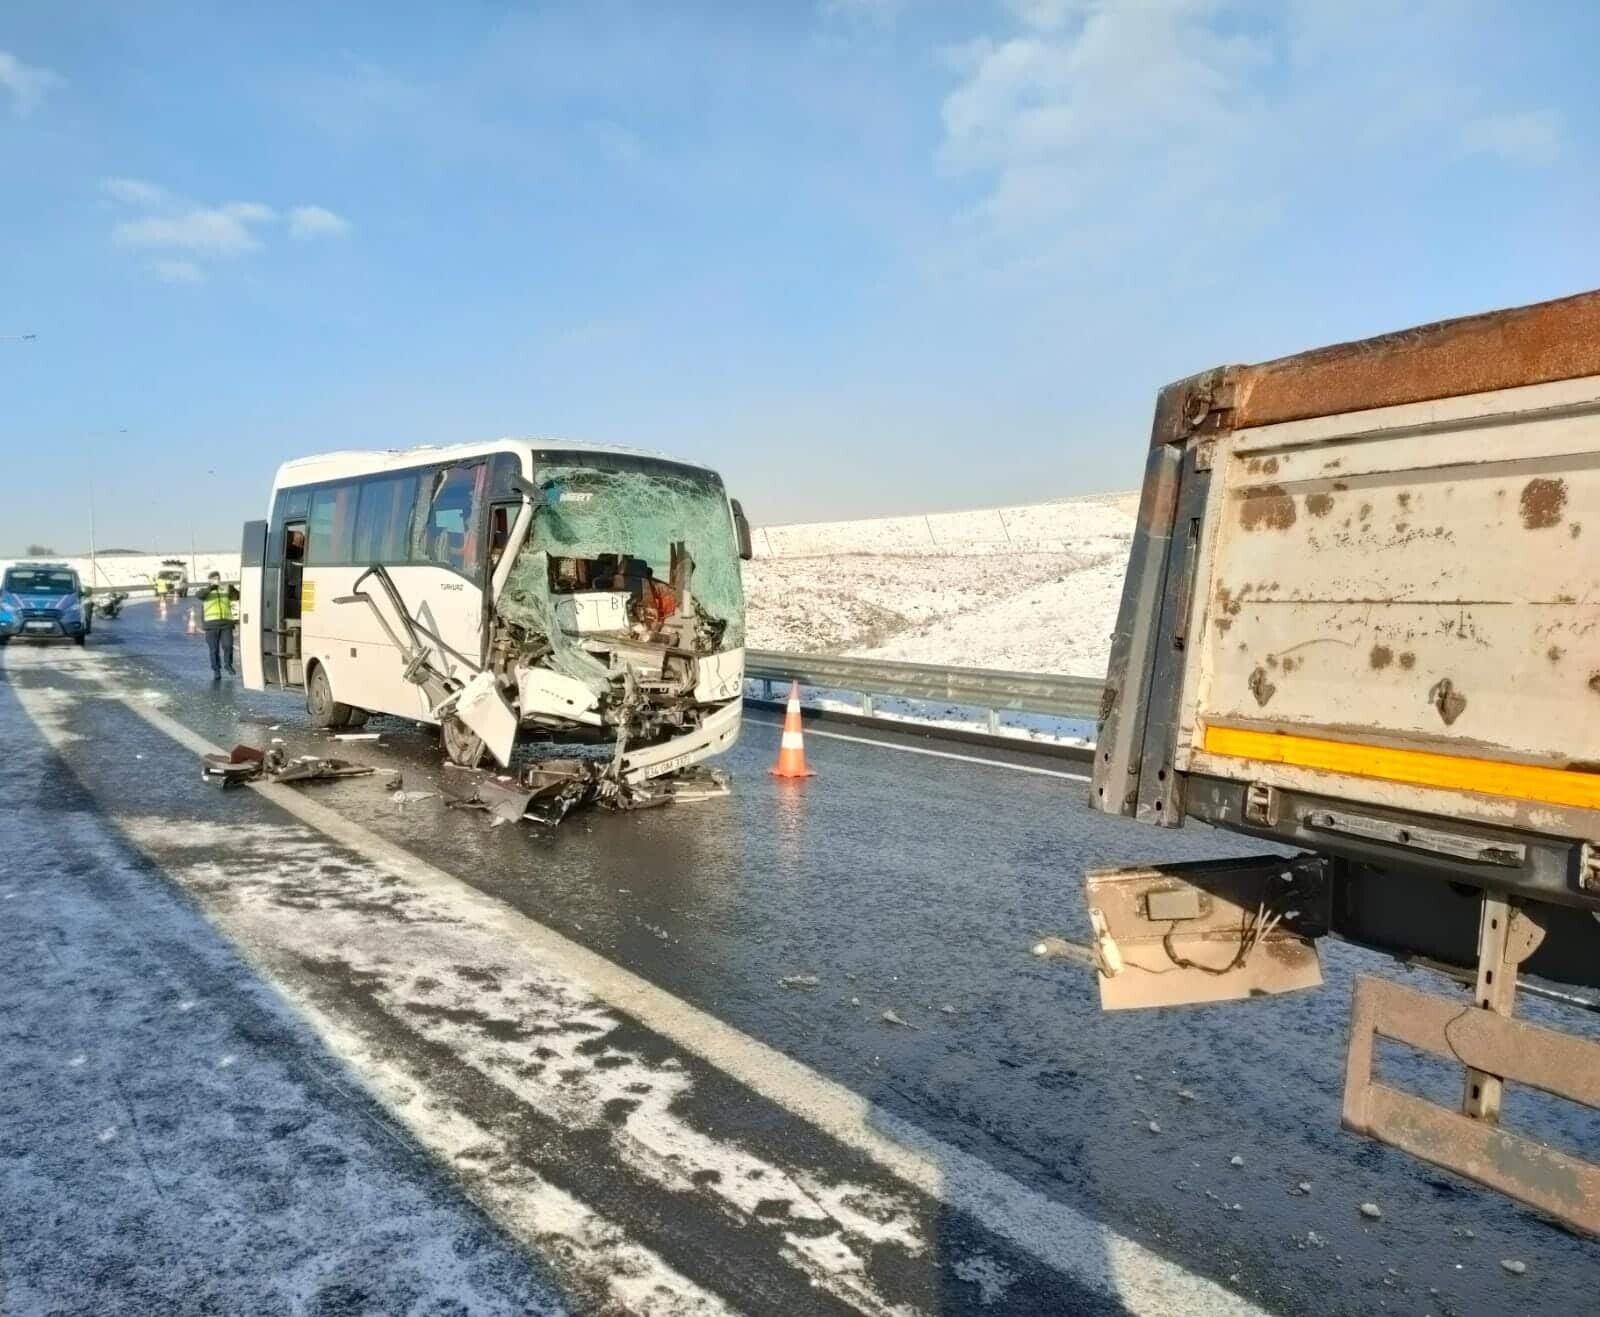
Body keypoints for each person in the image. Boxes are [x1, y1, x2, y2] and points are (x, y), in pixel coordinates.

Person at [196, 570, 239, 678]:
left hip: (226, 624)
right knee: (214, 649)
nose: (217, 580)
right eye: (214, 578)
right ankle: (216, 670)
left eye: (218, 578)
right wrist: (211, 588)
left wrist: (233, 590)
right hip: (211, 625)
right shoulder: (205, 591)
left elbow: (236, 597)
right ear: (209, 580)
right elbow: (199, 596)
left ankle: (228, 665)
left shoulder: (225, 589)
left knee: (228, 646)